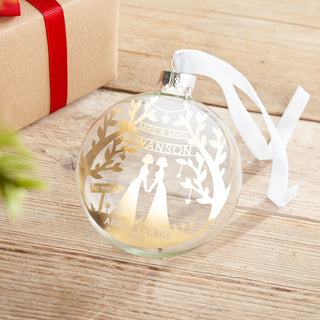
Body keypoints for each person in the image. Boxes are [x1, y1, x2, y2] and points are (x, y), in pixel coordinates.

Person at [108, 154, 153, 226]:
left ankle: (126, 215)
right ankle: (125, 215)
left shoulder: (145, 167)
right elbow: (144, 178)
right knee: (131, 198)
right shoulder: (145, 168)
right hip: (138, 182)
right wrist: (145, 187)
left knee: (131, 198)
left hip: (137, 182)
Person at [144, 157, 171, 231]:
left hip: (160, 187)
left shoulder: (160, 171)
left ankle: (156, 223)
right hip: (161, 187)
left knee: (158, 202)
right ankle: (155, 223)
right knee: (158, 202)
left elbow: (156, 180)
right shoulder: (161, 170)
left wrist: (150, 188)